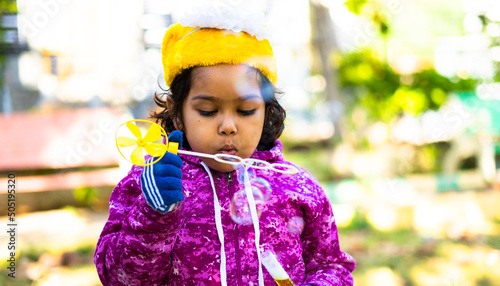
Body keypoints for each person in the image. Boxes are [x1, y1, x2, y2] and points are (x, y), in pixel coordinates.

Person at [94, 5, 355, 286]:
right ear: (177, 112)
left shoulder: (298, 187)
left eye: (245, 111)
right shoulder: (150, 185)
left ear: (267, 111)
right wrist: (153, 214)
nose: (228, 126)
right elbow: (121, 279)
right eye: (207, 111)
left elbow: (331, 267)